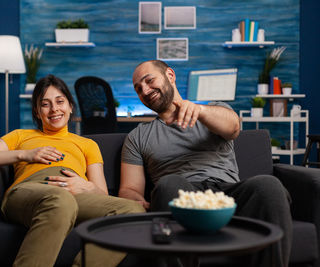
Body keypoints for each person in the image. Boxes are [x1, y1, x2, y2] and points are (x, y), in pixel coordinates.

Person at [119, 60, 292, 267]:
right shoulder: (137, 137)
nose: (145, 91)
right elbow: (129, 188)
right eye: (138, 89)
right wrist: (135, 200)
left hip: (227, 196)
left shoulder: (214, 111)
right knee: (168, 184)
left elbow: (233, 128)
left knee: (268, 185)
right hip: (181, 198)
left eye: (149, 81)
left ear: (170, 75)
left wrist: (200, 111)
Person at [0, 74, 145, 267]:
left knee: (133, 210)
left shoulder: (88, 144)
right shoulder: (21, 136)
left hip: (74, 194)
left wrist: (85, 186)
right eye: (45, 104)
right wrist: (26, 155)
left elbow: (101, 192)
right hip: (31, 190)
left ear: (70, 106)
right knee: (60, 200)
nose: (54, 109)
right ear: (36, 111)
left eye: (60, 101)